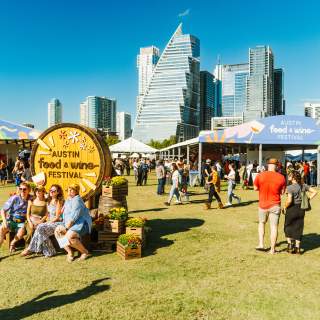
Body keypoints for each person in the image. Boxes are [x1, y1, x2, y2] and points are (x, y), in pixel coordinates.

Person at [21, 184, 64, 257]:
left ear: (58, 192)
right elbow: (47, 214)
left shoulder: (58, 202)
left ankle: (31, 248)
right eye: (50, 190)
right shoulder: (49, 201)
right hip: (49, 222)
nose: (52, 192)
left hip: (56, 223)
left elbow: (57, 217)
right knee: (41, 231)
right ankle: (50, 252)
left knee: (40, 227)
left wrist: (46, 222)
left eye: (54, 191)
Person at [254, 158, 286, 254]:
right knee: (274, 227)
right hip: (275, 204)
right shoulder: (281, 177)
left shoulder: (260, 175)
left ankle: (261, 244)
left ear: (268, 165)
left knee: (261, 223)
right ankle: (272, 249)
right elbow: (282, 192)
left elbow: (255, 188)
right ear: (276, 166)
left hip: (262, 204)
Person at [283, 171, 317, 254]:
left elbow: (289, 200)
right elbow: (315, 192)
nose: (288, 177)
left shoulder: (290, 187)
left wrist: (284, 207)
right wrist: (307, 199)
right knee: (299, 227)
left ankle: (290, 245)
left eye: (290, 176)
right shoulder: (303, 185)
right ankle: (297, 248)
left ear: (293, 178)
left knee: (288, 226)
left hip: (292, 208)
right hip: (301, 208)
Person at [62, 184, 92, 262]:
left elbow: (74, 216)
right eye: (69, 190)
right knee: (57, 232)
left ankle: (85, 252)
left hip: (81, 224)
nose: (70, 191)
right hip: (69, 223)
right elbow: (64, 212)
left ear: (76, 191)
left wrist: (67, 227)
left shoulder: (77, 200)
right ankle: (70, 252)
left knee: (70, 236)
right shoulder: (68, 199)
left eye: (72, 190)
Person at [0, 182, 32, 253]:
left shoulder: (31, 198)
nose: (22, 191)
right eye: (20, 189)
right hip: (11, 220)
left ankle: (12, 243)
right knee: (1, 229)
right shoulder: (14, 198)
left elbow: (43, 196)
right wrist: (4, 221)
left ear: (29, 190)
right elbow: (3, 210)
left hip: (21, 223)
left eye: (24, 189)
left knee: (21, 232)